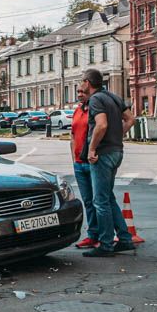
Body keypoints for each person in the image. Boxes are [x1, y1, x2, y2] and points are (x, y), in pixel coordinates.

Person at [79, 68, 138, 257]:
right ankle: (125, 238)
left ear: (88, 83)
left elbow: (101, 124)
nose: (81, 85)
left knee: (100, 201)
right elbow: (130, 119)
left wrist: (92, 148)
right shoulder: (113, 96)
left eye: (82, 82)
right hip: (116, 151)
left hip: (103, 154)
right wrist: (118, 134)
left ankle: (105, 244)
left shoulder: (96, 99)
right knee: (108, 197)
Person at [70, 84, 99, 249]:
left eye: (83, 92)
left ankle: (106, 235)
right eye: (78, 92)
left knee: (100, 201)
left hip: (93, 162)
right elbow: (73, 135)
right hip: (79, 163)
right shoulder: (77, 111)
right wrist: (74, 159)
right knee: (88, 201)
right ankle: (92, 235)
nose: (80, 94)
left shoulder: (94, 110)